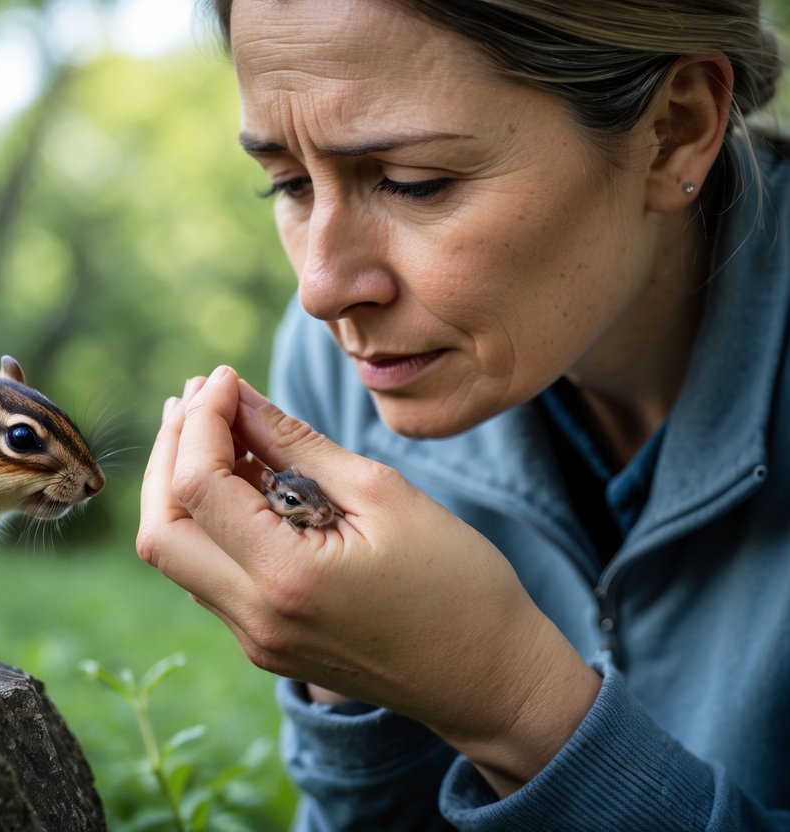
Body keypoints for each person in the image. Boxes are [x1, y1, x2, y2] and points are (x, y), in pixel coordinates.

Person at [136, 0, 790, 829]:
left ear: (671, 128)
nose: (321, 289)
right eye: (289, 183)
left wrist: (513, 706)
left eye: (416, 183)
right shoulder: (342, 377)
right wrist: (348, 692)